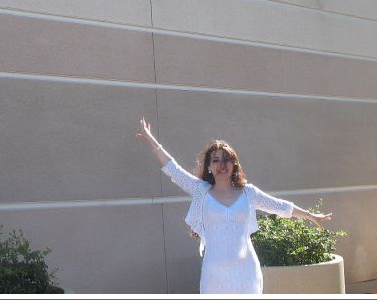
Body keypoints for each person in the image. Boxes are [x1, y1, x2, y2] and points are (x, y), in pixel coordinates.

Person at [135, 117, 333, 294]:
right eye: (216, 160)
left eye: (227, 160)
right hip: (214, 277)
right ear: (210, 167)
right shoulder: (200, 191)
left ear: (234, 164)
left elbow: (281, 207)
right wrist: (153, 142)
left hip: (246, 275)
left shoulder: (249, 193)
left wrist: (311, 216)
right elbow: (174, 170)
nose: (222, 165)